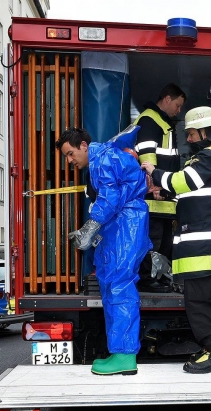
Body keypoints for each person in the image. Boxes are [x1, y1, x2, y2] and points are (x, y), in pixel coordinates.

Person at [142, 106, 211, 374]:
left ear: (205, 132)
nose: (189, 139)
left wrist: (155, 172)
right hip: (205, 247)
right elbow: (193, 194)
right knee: (210, 300)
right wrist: (166, 194)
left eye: (192, 134)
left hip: (202, 247)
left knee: (198, 303)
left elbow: (188, 181)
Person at [57, 126, 150, 376]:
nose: (69, 161)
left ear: (84, 146)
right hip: (120, 227)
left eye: (70, 154)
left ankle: (124, 355)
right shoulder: (104, 159)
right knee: (112, 284)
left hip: (124, 228)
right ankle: (119, 352)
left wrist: (89, 228)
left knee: (118, 286)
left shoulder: (104, 159)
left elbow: (110, 197)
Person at [134, 83, 186, 293]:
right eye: (178, 105)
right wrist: (154, 185)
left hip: (163, 198)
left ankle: (160, 277)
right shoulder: (149, 120)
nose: (178, 110)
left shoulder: (161, 122)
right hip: (154, 197)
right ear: (167, 99)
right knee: (152, 241)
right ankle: (148, 280)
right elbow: (147, 156)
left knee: (163, 242)